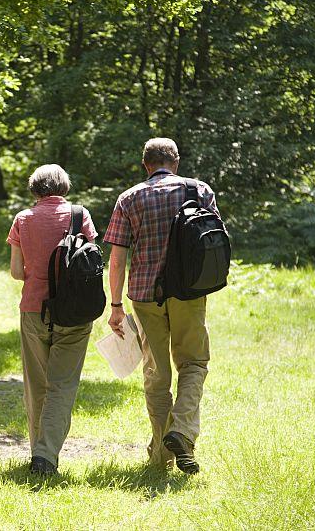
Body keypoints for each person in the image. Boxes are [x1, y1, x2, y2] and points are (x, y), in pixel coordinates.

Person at [105, 138, 220, 474]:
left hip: (144, 296)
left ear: (145, 165)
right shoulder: (199, 190)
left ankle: (161, 458)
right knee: (194, 362)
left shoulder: (129, 198)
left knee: (156, 376)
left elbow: (117, 258)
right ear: (176, 161)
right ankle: (182, 432)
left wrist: (114, 305)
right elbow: (214, 239)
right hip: (189, 293)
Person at [7, 164, 99, 475]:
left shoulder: (23, 219)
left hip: (34, 309)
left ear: (34, 188)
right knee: (62, 385)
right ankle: (45, 456)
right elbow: (90, 258)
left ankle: (39, 451)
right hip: (73, 311)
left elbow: (17, 272)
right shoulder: (79, 214)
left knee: (36, 385)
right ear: (64, 186)